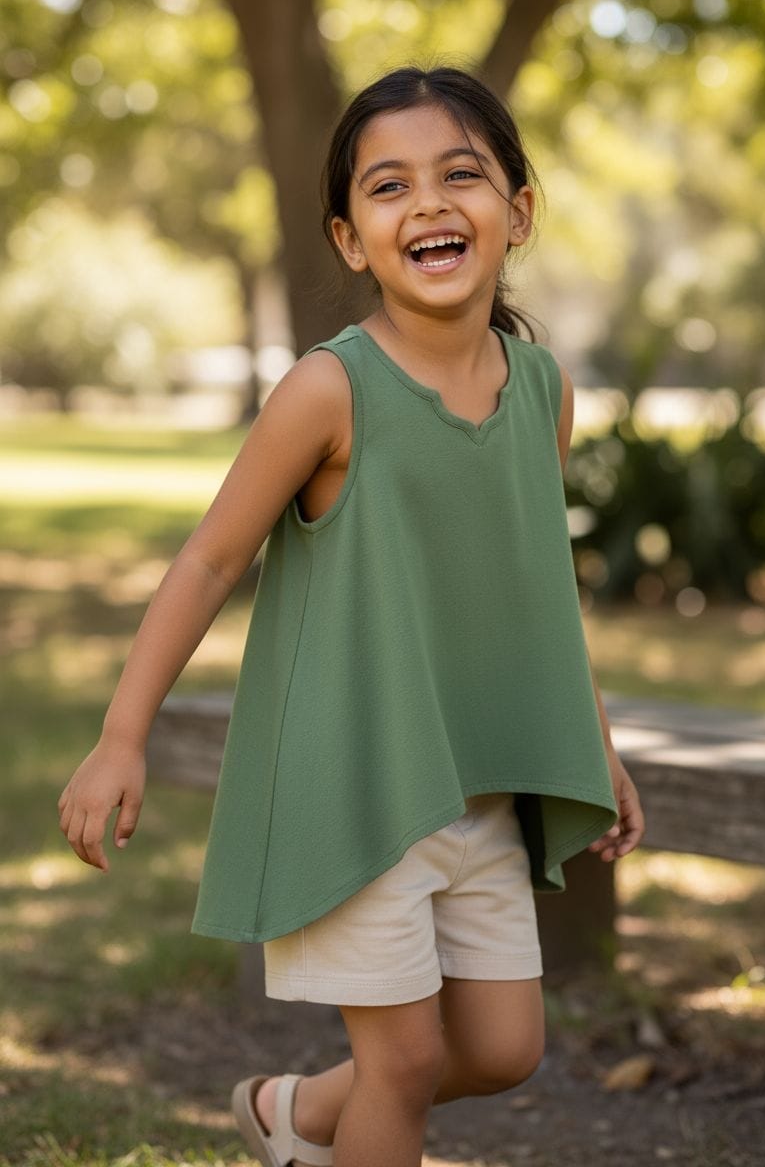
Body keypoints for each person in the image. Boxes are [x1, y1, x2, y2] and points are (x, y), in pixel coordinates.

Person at [58, 64, 645, 1167]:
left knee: (506, 1048)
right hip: (358, 787)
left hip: (481, 792)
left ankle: (293, 1115)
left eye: (459, 174)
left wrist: (592, 746)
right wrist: (121, 736)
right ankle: (347, 1116)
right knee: (407, 1065)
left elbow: (535, 590)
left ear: (517, 212)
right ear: (347, 239)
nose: (427, 203)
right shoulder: (328, 392)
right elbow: (207, 560)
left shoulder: (542, 391)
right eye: (388, 187)